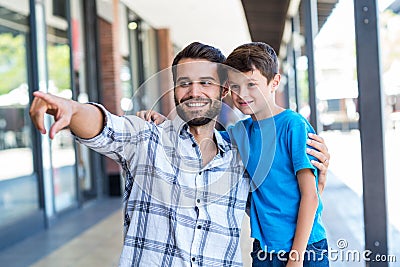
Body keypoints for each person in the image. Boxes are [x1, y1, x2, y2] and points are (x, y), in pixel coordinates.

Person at [30, 42, 330, 266]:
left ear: (222, 92)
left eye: (205, 83)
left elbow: (283, 196)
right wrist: (73, 109)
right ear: (174, 90)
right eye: (184, 83)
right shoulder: (147, 138)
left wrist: (320, 175)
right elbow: (107, 128)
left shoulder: (240, 152)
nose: (194, 92)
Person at [223, 42, 329, 266]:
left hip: (305, 247)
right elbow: (203, 139)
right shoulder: (240, 133)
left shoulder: (293, 125)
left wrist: (296, 258)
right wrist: (165, 123)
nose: (242, 94)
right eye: (235, 86)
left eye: (252, 84)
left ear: (275, 83)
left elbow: (310, 195)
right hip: (264, 248)